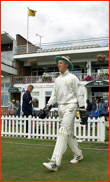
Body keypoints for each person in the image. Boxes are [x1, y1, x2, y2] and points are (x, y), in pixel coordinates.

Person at [40, 56, 88, 172]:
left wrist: (82, 109)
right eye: (58, 63)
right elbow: (54, 95)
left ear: (67, 65)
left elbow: (79, 94)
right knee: (68, 133)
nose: (59, 65)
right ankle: (78, 154)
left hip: (71, 106)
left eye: (61, 63)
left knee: (62, 131)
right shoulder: (57, 80)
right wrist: (47, 107)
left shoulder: (73, 78)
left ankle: (54, 162)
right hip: (61, 107)